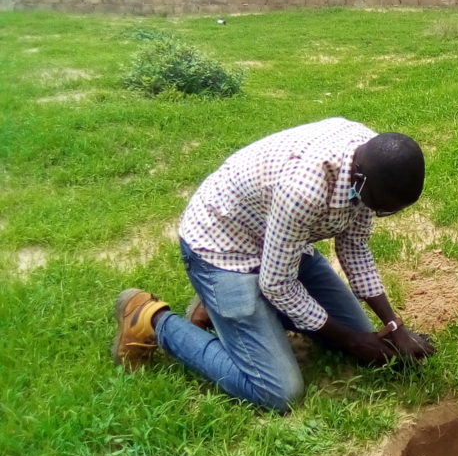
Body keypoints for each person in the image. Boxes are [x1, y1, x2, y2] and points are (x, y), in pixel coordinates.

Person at [111, 117, 435, 412]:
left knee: (366, 337)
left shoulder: (370, 161)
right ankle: (153, 320)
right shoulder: (305, 190)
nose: (379, 214)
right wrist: (348, 339)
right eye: (380, 207)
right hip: (223, 249)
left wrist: (395, 325)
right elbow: (278, 284)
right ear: (361, 180)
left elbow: (354, 246)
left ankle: (219, 308)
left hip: (278, 244)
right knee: (279, 392)